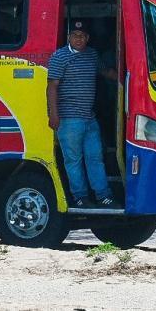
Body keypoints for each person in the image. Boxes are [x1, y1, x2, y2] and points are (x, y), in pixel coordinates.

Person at [47, 20, 115, 208]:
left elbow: (105, 71)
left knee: (95, 157)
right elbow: (52, 87)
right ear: (69, 37)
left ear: (88, 38)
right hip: (68, 119)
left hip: (89, 118)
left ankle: (103, 196)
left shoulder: (92, 55)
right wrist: (53, 115)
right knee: (73, 160)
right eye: (76, 35)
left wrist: (130, 79)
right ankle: (80, 197)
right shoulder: (59, 57)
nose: (79, 39)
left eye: (83, 36)